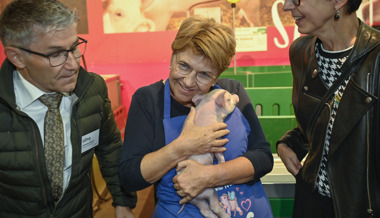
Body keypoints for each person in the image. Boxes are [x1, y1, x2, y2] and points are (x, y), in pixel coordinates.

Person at [119, 15, 274, 217]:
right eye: (184, 66)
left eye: (204, 75)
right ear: (173, 56)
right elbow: (130, 176)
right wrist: (184, 147)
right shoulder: (149, 100)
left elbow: (262, 158)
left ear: (217, 75)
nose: (189, 82)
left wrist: (208, 176)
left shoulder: (230, 93)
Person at [0, 0, 136, 217]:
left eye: (74, 48)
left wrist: (122, 201)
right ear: (17, 57)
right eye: (56, 54)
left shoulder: (93, 89)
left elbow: (109, 147)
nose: (73, 64)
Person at [277, 0, 380, 217]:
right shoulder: (301, 52)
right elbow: (324, 120)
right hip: (312, 202)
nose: (286, 6)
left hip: (363, 207)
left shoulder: (376, 57)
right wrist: (289, 144)